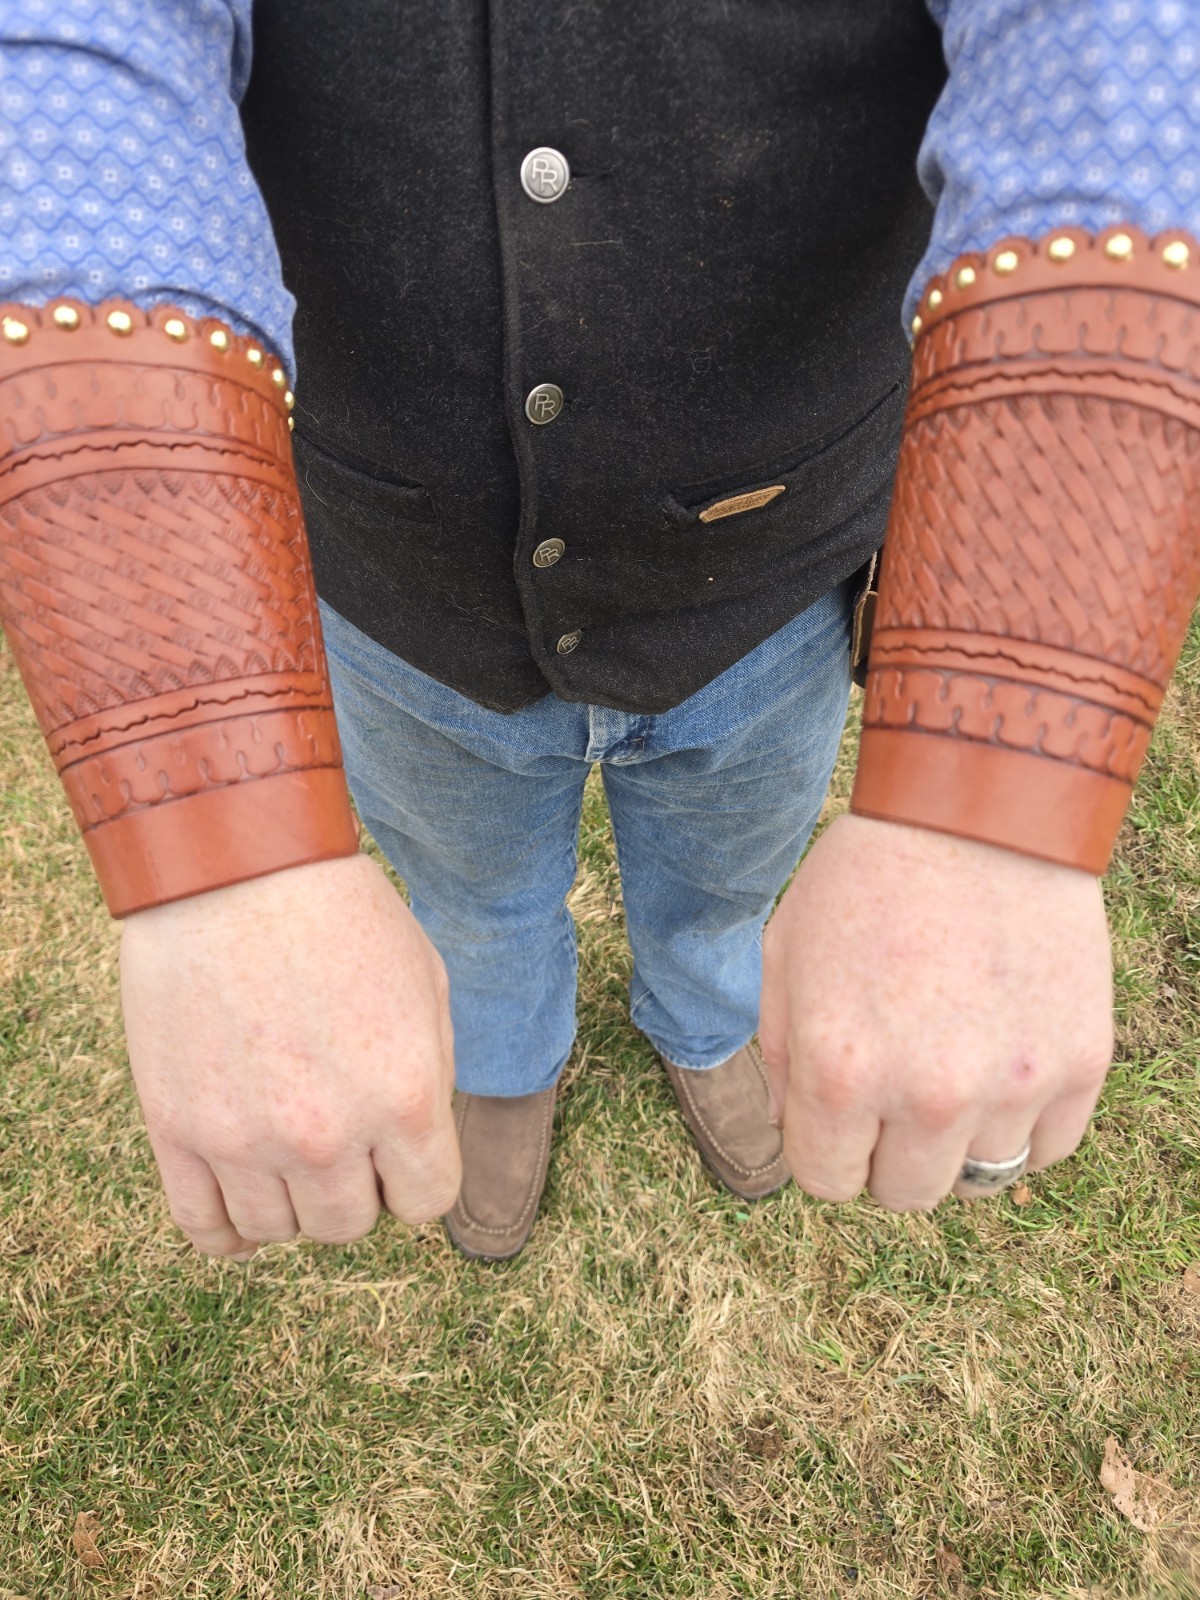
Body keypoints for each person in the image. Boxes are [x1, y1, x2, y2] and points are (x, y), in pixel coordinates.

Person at [1, 0, 1196, 1267]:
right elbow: (73, 78)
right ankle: (508, 1063)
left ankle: (704, 1026)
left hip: (761, 591)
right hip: (403, 600)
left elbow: (1113, 52)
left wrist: (996, 794)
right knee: (474, 900)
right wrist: (217, 842)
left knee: (725, 878)